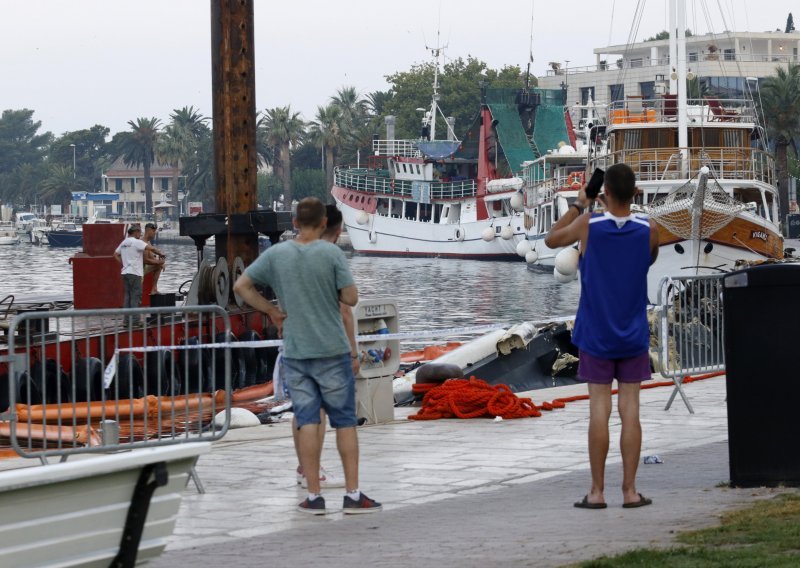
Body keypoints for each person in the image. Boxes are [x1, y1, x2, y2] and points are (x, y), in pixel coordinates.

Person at [233, 197, 381, 515]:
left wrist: (271, 310)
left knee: (308, 420)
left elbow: (241, 285)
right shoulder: (330, 253)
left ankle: (313, 496)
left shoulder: (277, 254)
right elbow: (351, 298)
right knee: (343, 422)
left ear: (295, 222)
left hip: (297, 352)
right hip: (332, 350)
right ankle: (353, 495)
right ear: (324, 223)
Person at [544, 163, 659, 509]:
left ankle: (596, 492)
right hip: (633, 332)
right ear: (635, 193)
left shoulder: (589, 226)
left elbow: (551, 239)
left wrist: (581, 203)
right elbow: (648, 260)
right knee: (631, 411)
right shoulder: (649, 230)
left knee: (599, 410)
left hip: (595, 332)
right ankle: (630, 491)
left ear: (604, 192)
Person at [290, 205, 359, 490]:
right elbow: (345, 308)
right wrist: (353, 352)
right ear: (338, 229)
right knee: (333, 416)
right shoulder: (332, 258)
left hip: (295, 342)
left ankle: (303, 469)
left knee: (303, 410)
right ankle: (318, 475)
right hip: (326, 347)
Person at [113, 225, 165, 320]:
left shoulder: (124, 242)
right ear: (136, 232)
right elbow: (151, 249)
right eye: (139, 232)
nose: (140, 234)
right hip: (135, 273)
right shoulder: (137, 242)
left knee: (127, 296)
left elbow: (115, 254)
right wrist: (161, 254)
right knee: (136, 296)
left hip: (125, 273)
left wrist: (124, 263)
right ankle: (135, 320)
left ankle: (126, 320)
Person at [142, 223, 166, 294]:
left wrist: (160, 263)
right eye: (153, 231)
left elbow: (152, 255)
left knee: (159, 266)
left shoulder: (148, 242)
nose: (155, 233)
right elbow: (146, 260)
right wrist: (159, 263)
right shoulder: (142, 242)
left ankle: (154, 289)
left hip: (143, 268)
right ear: (148, 231)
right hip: (138, 270)